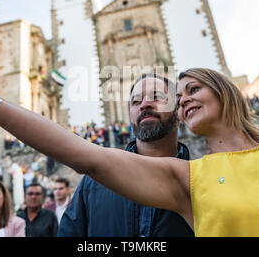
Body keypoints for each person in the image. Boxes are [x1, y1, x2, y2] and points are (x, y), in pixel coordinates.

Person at [0, 9, 259, 236]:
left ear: (224, 90)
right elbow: (82, 155)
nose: (181, 98)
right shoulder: (189, 178)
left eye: (188, 89)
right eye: (178, 93)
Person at [59, 74, 193, 237]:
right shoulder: (95, 180)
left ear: (178, 109)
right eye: (136, 101)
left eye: (156, 97)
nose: (144, 104)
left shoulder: (197, 180)